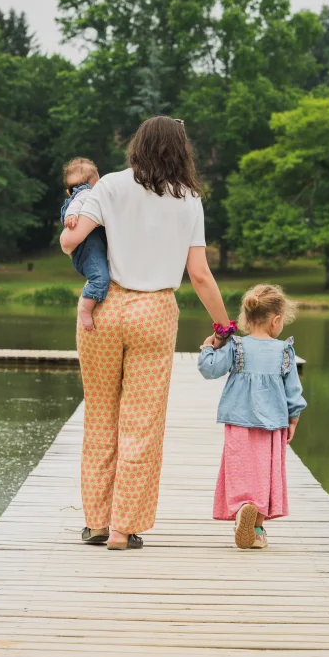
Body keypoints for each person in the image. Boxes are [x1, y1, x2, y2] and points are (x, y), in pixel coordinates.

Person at [60, 116, 231, 551]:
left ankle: (96, 523)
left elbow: (71, 241)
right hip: (154, 312)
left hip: (104, 307)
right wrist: (223, 325)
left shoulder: (110, 185)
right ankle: (123, 528)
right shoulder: (188, 198)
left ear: (138, 145)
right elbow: (199, 274)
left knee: (101, 415)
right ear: (180, 151)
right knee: (142, 423)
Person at [198, 284, 307, 550]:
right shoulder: (284, 351)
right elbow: (293, 391)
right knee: (264, 473)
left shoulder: (236, 346)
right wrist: (294, 418)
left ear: (247, 317)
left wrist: (208, 347)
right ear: (276, 320)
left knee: (240, 469)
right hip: (273, 423)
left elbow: (209, 370)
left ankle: (242, 509)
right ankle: (256, 530)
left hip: (238, 420)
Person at [60, 158, 109, 331]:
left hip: (86, 248)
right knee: (100, 278)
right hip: (89, 248)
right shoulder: (87, 193)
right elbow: (78, 202)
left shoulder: (78, 195)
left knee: (97, 276)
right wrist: (71, 215)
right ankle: (85, 310)